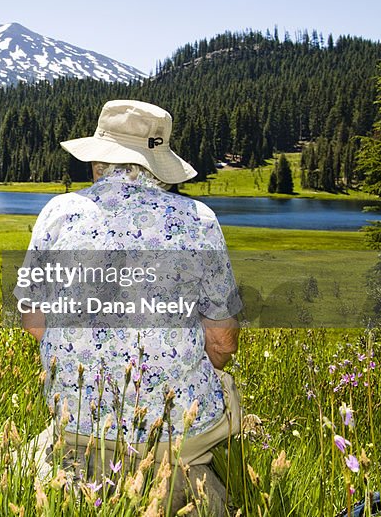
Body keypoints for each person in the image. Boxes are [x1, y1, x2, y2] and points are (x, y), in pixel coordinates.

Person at [14, 99, 243, 515]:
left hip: (76, 423)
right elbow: (223, 343)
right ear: (158, 162)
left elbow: (33, 320)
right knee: (224, 389)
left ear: (99, 159)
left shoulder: (58, 213)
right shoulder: (198, 220)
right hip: (175, 434)